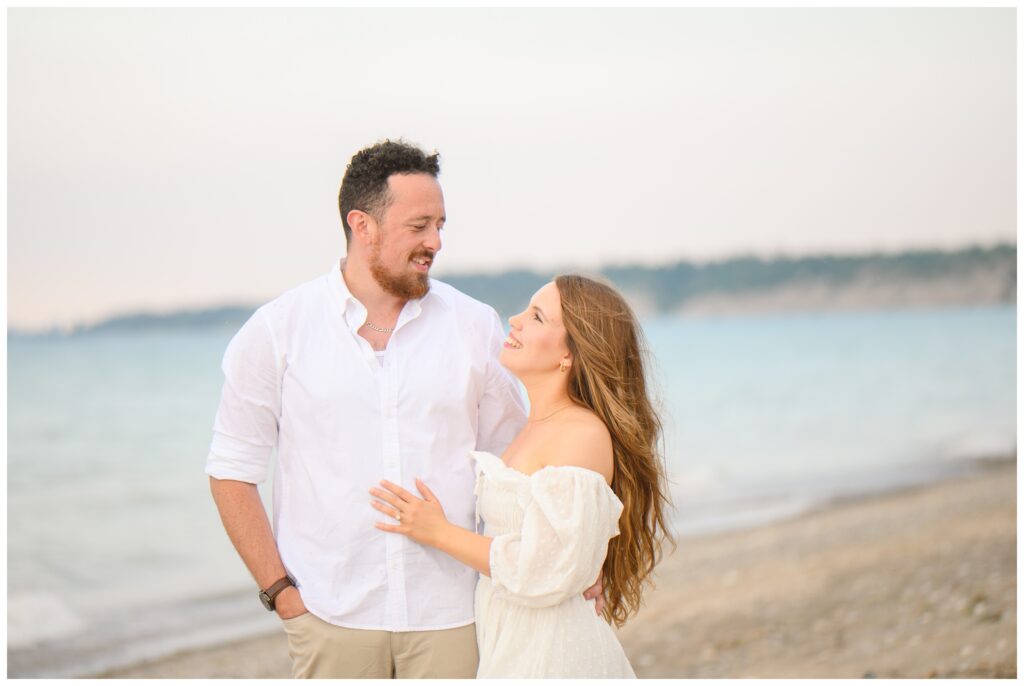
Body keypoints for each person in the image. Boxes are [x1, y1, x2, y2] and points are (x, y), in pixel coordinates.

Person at [205, 139, 536, 678]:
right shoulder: (276, 331)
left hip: (453, 613)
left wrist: (556, 555)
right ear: (363, 226)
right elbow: (231, 472)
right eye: (419, 226)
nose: (435, 242)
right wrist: (281, 594)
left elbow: (514, 463)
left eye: (441, 225)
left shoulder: (473, 324)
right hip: (330, 614)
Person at [370, 274, 674, 678]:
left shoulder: (580, 433)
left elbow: (543, 569)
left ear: (570, 354)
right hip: (516, 640)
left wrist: (437, 532)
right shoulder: (534, 427)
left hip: (551, 652)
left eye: (536, 317)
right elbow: (558, 547)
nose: (514, 320)